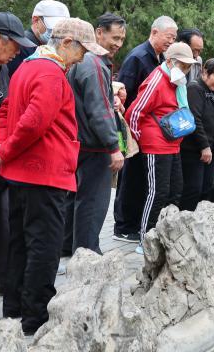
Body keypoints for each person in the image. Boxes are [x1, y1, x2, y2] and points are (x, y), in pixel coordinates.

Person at [0, 17, 107, 335]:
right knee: (44, 246)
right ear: (67, 43)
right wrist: (6, 148)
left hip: (22, 173)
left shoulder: (27, 68)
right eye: (82, 51)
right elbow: (34, 121)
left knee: (20, 243)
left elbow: (4, 113)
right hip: (45, 173)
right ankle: (36, 318)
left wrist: (1, 145)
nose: (83, 59)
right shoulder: (51, 72)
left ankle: (14, 311)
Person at [63, 13, 126, 256]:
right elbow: (99, 111)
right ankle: (88, 252)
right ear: (99, 33)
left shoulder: (82, 61)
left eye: (121, 39)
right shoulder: (94, 63)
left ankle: (68, 246)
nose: (118, 44)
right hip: (94, 145)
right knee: (93, 201)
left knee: (76, 197)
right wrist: (113, 147)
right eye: (115, 37)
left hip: (79, 141)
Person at [126, 42, 196, 252]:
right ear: (170, 62)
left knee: (175, 190)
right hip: (155, 144)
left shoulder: (177, 82)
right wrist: (140, 140)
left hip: (173, 142)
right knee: (157, 192)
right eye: (183, 65)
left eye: (188, 66)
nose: (186, 70)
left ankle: (165, 235)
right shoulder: (158, 79)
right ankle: (146, 239)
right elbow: (134, 112)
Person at [113, 15, 177, 242]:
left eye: (174, 38)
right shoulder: (138, 57)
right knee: (130, 178)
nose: (171, 41)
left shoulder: (159, 57)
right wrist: (132, 131)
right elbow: (124, 94)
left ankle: (135, 223)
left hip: (147, 129)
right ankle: (123, 226)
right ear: (154, 32)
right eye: (169, 37)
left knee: (142, 180)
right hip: (134, 128)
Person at [0, 12, 35, 296]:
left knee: (3, 221)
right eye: (14, 46)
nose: (17, 53)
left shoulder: (3, 68)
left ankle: (5, 279)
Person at [179, 58, 214, 210]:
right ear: (205, 73)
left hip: (211, 149)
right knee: (193, 188)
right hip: (193, 149)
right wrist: (204, 146)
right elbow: (195, 119)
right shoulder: (195, 89)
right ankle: (185, 218)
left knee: (207, 187)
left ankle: (201, 218)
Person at [7, 0, 70, 76]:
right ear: (36, 20)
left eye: (62, 30)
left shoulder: (48, 48)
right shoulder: (21, 47)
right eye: (53, 28)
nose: (57, 33)